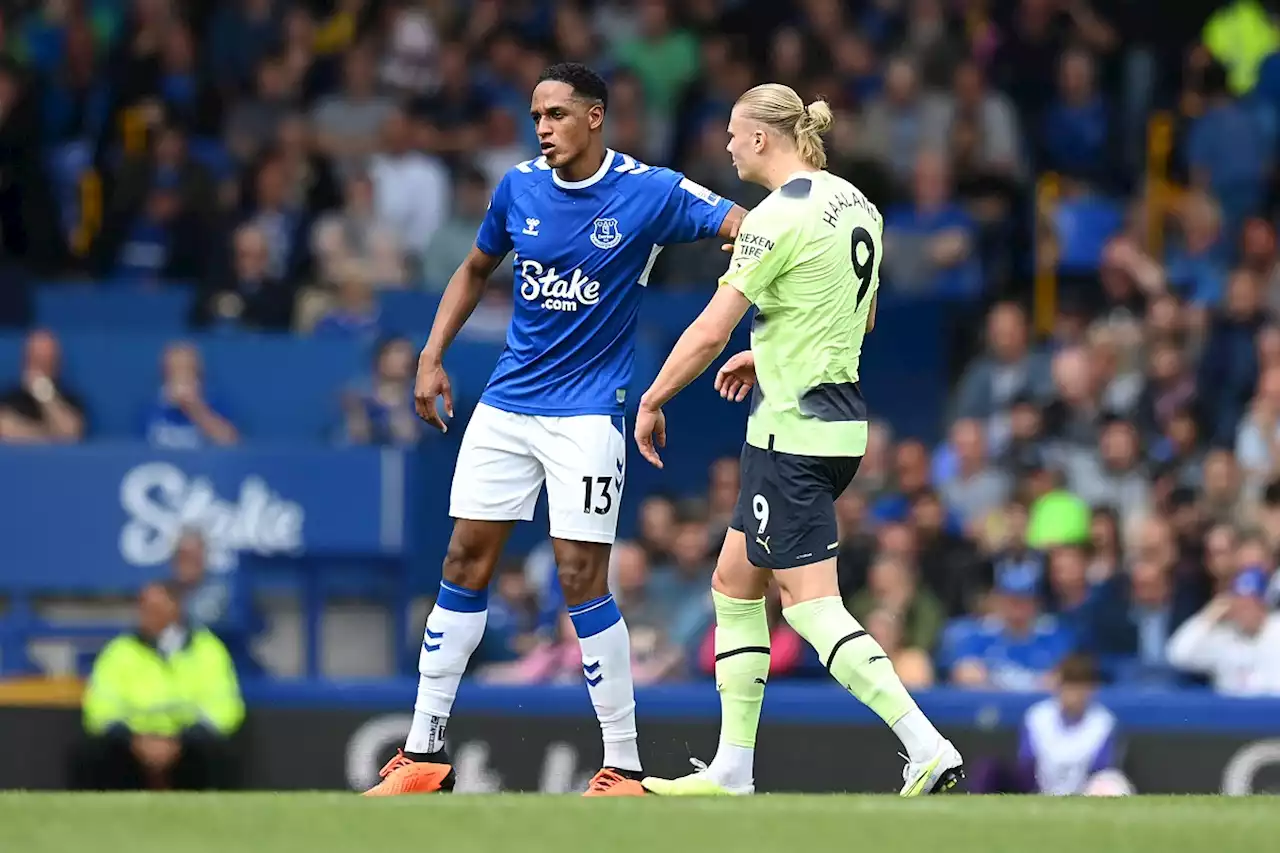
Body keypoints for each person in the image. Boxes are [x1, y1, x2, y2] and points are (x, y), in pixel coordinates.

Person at [366, 62, 746, 798]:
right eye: (536, 115)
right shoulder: (518, 187)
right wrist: (432, 354)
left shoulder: (649, 191)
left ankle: (624, 764)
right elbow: (476, 269)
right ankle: (423, 753)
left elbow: (742, 225)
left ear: (596, 116)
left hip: (587, 414)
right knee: (462, 560)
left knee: (580, 577)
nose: (543, 128)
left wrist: (745, 252)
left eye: (558, 115)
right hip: (507, 405)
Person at [633, 83, 962, 797]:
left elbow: (710, 329)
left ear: (760, 139)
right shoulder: (855, 203)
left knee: (812, 607)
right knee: (732, 581)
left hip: (793, 433)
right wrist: (773, 350)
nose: (723, 144)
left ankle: (926, 743)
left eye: (731, 131)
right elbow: (859, 319)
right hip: (837, 422)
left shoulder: (771, 218)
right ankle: (732, 767)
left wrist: (655, 396)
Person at [72, 583, 244, 790]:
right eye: (143, 608)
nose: (145, 615)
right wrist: (134, 740)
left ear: (176, 609)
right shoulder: (119, 651)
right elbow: (100, 707)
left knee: (215, 750)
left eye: (154, 609)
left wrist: (181, 741)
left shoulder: (207, 650)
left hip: (188, 743)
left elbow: (224, 707)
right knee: (91, 750)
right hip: (132, 743)